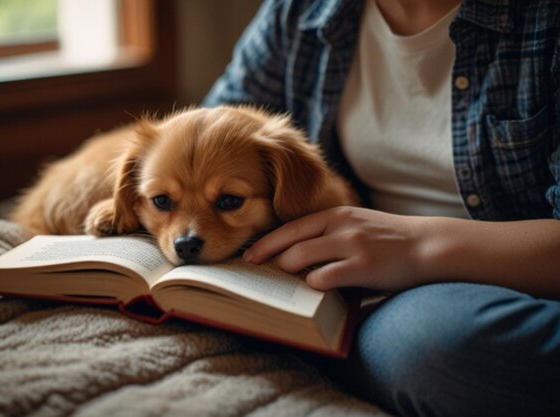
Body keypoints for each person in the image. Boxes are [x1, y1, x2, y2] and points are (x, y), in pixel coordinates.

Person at [203, 0, 560, 416]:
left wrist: (415, 246)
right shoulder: (300, 12)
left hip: (486, 289)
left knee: (433, 346)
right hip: (370, 281)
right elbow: (205, 138)